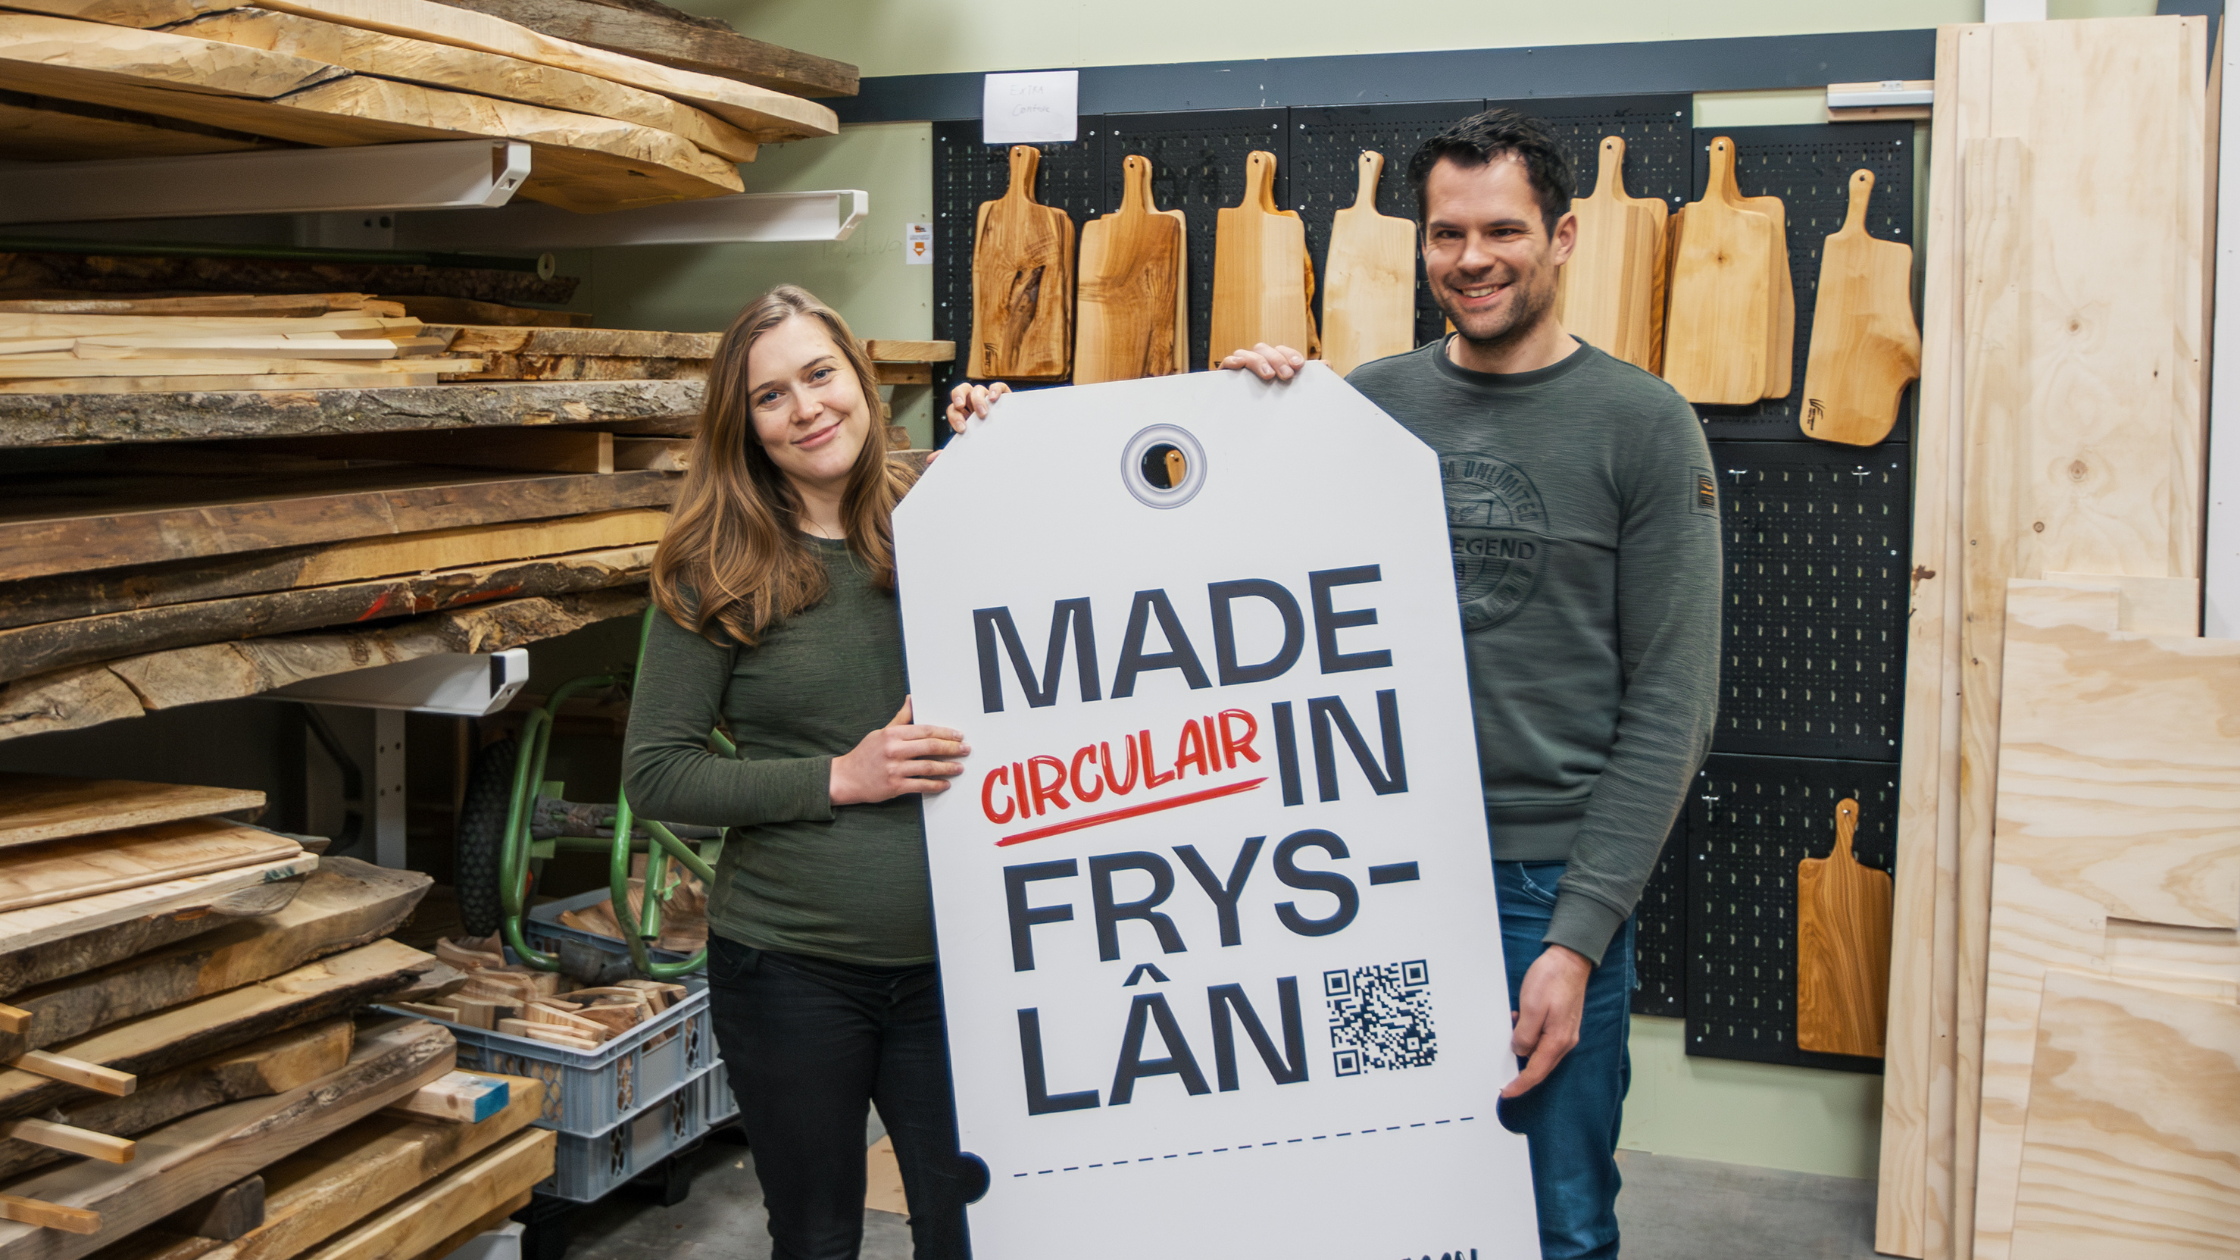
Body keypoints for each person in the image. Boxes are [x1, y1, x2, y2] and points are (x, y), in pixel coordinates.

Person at [946, 109, 1721, 1260]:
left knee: (1553, 1214)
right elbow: (1187, 584)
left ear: (1561, 238)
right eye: (1446, 234)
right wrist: (1019, 446)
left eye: (1501, 229)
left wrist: (1577, 938)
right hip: (1363, 873)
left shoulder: (1643, 426)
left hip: (1534, 892)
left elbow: (1671, 704)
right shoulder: (1361, 402)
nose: (1471, 259)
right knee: (1387, 1198)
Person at [627, 284, 974, 1260]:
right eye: (770, 396)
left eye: (819, 375)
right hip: (789, 968)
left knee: (972, 1233)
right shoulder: (716, 564)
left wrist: (1264, 400)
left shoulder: (947, 516)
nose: (806, 408)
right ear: (744, 426)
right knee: (818, 1238)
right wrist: (839, 778)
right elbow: (656, 776)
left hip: (962, 965)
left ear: (860, 382)